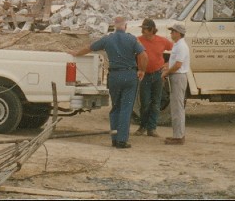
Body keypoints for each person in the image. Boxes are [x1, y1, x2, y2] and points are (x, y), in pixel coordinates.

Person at [72, 16, 148, 149]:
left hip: (114, 75)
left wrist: (75, 53)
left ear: (114, 25)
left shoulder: (107, 39)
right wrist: (142, 70)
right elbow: (144, 55)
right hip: (129, 75)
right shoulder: (132, 39)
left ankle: (114, 137)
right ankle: (122, 140)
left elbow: (89, 48)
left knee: (115, 107)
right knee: (126, 108)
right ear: (126, 26)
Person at [135, 18, 173, 137]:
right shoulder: (138, 40)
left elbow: (176, 50)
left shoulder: (162, 41)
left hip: (157, 75)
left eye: (145, 29)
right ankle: (143, 127)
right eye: (142, 29)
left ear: (152, 30)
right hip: (144, 75)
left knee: (156, 103)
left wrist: (168, 64)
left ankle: (152, 128)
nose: (142, 31)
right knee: (145, 103)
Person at [161, 23, 190, 145]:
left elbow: (178, 64)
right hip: (176, 76)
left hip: (178, 76)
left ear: (178, 33)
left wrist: (166, 72)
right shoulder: (177, 45)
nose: (171, 34)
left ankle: (178, 136)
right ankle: (178, 134)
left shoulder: (181, 46)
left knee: (177, 107)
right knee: (176, 106)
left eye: (173, 32)